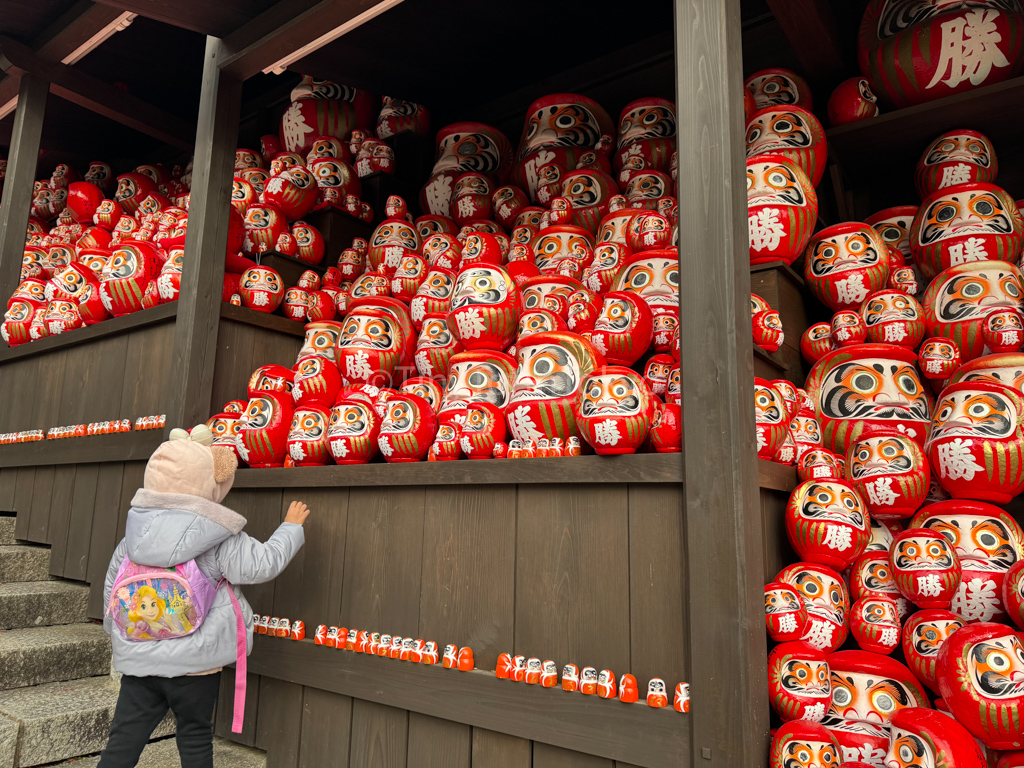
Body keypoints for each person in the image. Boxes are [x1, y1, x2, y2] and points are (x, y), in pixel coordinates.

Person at [98, 426, 308, 768]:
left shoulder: (135, 534)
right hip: (196, 664)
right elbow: (261, 565)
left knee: (123, 741)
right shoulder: (219, 536)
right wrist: (291, 527)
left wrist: (122, 634)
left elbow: (113, 589)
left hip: (139, 660)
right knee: (194, 738)